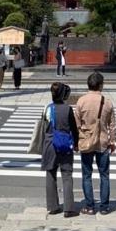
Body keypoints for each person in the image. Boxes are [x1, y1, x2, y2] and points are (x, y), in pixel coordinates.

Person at [74, 71, 116, 215]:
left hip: (86, 142)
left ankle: (90, 206)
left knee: (87, 175)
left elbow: (77, 124)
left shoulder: (81, 101)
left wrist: (77, 140)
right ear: (101, 85)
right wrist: (112, 141)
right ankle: (104, 207)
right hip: (103, 142)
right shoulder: (107, 102)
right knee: (104, 175)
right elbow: (112, 125)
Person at [40, 82, 79, 218]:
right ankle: (69, 208)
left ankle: (53, 206)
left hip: (50, 144)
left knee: (50, 174)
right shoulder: (68, 109)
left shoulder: (47, 108)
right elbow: (74, 129)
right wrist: (76, 144)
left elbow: (42, 128)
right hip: (64, 144)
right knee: (67, 175)